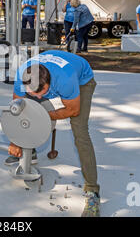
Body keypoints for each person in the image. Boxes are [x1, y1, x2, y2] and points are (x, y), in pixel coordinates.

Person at [7, 50, 100, 217]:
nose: (34, 96)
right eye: (30, 93)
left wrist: (42, 116)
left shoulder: (66, 79)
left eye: (39, 93)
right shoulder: (23, 75)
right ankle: (30, 149)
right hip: (52, 73)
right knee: (28, 111)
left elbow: (73, 110)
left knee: (80, 132)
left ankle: (93, 191)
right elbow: (18, 111)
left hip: (82, 79)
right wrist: (16, 141)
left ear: (49, 85)